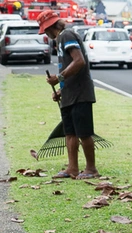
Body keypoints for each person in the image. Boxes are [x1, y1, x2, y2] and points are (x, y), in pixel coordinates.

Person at [37, 10, 100, 179]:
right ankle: (72, 168)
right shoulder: (60, 39)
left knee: (84, 133)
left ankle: (91, 169)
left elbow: (79, 61)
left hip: (80, 93)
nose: (46, 34)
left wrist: (58, 78)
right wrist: (60, 90)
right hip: (69, 94)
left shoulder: (67, 35)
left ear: (50, 27)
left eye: (45, 30)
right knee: (70, 132)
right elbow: (69, 67)